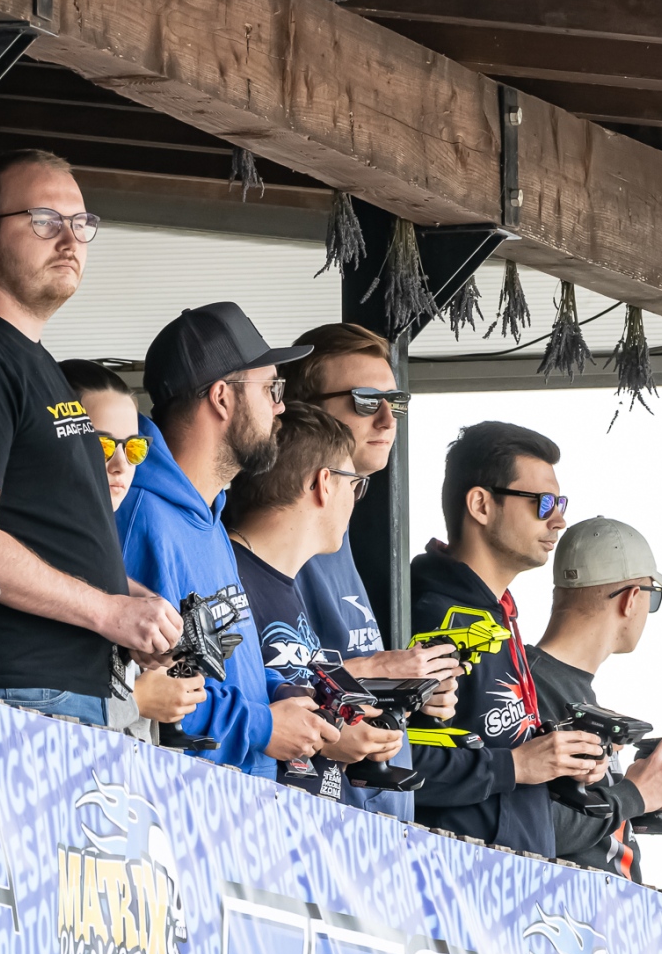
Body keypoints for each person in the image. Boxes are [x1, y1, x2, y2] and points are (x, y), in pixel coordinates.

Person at [0, 150, 180, 725]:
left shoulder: (32, 357)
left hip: (61, 687)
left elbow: (44, 530)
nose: (69, 240)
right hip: (12, 688)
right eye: (44, 220)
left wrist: (130, 600)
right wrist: (108, 611)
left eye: (81, 223)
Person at [116, 302, 338, 775]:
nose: (280, 406)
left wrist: (282, 693)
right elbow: (145, 690)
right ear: (222, 397)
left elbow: (214, 665)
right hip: (180, 805)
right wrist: (261, 725)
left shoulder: (209, 515)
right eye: (271, 389)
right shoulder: (139, 515)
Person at [286, 323, 461, 819]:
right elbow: (263, 682)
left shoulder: (338, 528)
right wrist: (379, 670)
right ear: (305, 410)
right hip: (310, 821)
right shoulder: (276, 527)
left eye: (395, 402)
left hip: (378, 824)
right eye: (365, 401)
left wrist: (408, 688)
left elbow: (338, 665)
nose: (386, 418)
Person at [411, 421, 604, 857]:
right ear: (481, 504)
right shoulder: (433, 615)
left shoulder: (496, 608)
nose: (559, 520)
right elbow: (397, 762)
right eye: (543, 503)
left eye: (561, 503)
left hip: (515, 881)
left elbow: (492, 745)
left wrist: (561, 760)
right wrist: (517, 765)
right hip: (454, 879)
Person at [223, 403, 404, 802]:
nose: (355, 500)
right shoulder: (228, 574)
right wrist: (330, 735)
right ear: (325, 483)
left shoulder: (284, 583)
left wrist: (341, 732)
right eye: (355, 485)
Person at [531, 517, 662, 882]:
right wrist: (634, 794)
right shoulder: (520, 685)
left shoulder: (559, 688)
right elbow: (525, 823)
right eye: (653, 597)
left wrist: (642, 799)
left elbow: (572, 813)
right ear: (632, 599)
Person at [60, 358, 206, 742]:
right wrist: (136, 700)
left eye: (134, 448)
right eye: (102, 445)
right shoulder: (25, 570)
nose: (120, 464)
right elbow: (11, 709)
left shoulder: (106, 562)